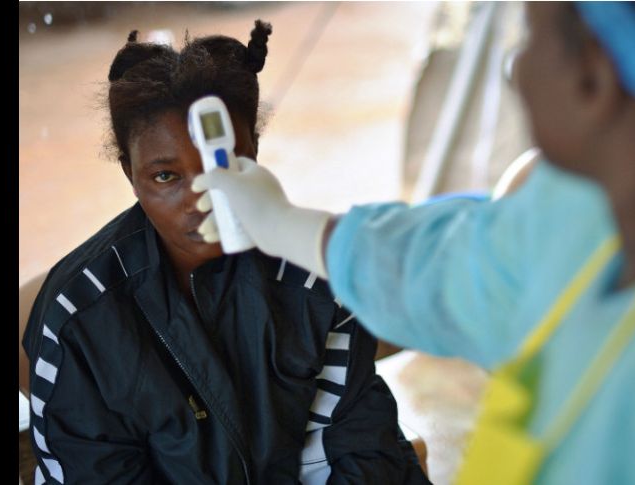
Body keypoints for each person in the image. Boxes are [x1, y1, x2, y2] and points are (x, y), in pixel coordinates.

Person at [192, 3, 635, 484]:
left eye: (530, 39)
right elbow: (445, 263)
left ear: (593, 79)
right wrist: (285, 225)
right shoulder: (578, 220)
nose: (515, 69)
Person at [22, 21, 428, 484]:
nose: (204, 197)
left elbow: (360, 452)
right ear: (130, 173)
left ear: (254, 150)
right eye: (166, 177)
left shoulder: (315, 281)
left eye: (224, 162)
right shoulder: (79, 318)